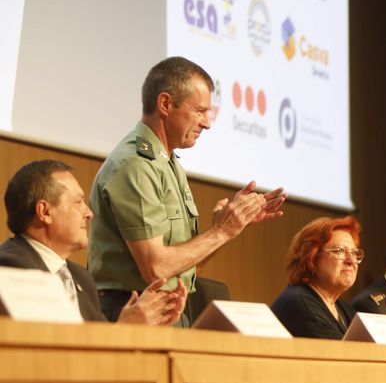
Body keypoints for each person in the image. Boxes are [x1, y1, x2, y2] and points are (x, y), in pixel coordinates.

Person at [88, 56, 285, 324]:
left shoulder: (168, 163)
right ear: (166, 104)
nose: (207, 123)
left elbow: (180, 271)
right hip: (132, 316)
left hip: (167, 313)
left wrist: (228, 231)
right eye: (200, 111)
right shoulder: (135, 165)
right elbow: (156, 268)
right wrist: (221, 230)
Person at [1, 160, 186, 325]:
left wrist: (139, 326)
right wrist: (124, 330)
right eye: (78, 202)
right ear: (45, 212)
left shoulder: (81, 277)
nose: (88, 213)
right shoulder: (10, 268)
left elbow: (97, 348)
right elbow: (48, 348)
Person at [271, 216, 361, 339]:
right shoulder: (299, 303)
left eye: (354, 252)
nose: (351, 261)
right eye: (339, 251)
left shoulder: (344, 309)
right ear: (312, 257)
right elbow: (342, 355)